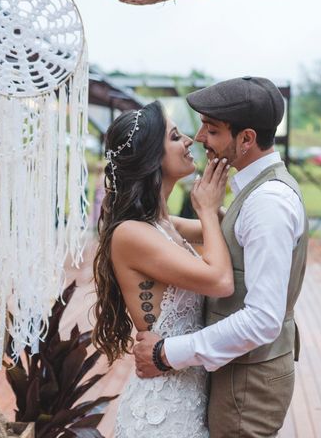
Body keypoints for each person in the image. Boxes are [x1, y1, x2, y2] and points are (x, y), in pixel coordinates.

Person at [133, 77, 309, 437]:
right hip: (238, 372)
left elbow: (262, 320)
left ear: (246, 139)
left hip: (248, 384)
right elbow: (198, 230)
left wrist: (167, 353)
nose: (199, 138)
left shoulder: (267, 205)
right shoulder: (255, 193)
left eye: (211, 130)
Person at [92, 101, 233, 437]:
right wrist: (207, 211)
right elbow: (220, 280)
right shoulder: (131, 234)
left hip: (187, 397)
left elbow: (234, 229)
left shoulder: (163, 224)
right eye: (174, 136)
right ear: (151, 157)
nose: (189, 140)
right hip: (162, 414)